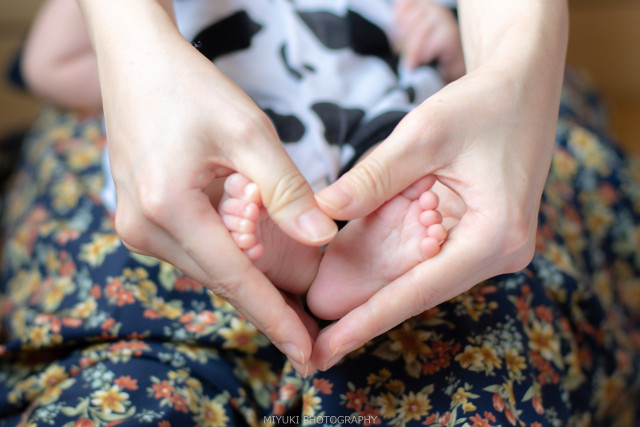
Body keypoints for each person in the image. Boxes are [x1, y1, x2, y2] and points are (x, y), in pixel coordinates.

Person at [2, 0, 640, 426]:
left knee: (406, 172)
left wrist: (445, 39)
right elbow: (51, 65)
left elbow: (479, 83)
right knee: (244, 193)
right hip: (220, 155)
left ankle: (343, 257)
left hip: (380, 154)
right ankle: (303, 255)